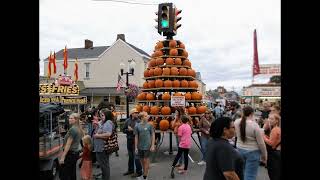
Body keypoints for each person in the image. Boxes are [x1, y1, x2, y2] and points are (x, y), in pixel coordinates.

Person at [234, 106, 267, 180]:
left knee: (241, 172)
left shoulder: (236, 122)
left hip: (239, 149)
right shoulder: (254, 125)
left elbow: (235, 135)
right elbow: (261, 143)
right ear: (252, 113)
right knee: (250, 175)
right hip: (253, 151)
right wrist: (264, 155)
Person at [59, 113, 85, 180]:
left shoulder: (73, 129)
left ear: (76, 120)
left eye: (71, 118)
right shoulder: (78, 128)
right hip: (74, 154)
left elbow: (68, 144)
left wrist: (62, 157)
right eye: (69, 118)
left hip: (70, 154)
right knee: (72, 173)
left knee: (64, 175)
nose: (69, 119)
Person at [93, 108, 114, 180]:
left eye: (102, 115)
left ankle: (105, 178)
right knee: (103, 165)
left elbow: (108, 134)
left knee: (104, 165)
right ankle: (104, 177)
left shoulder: (108, 122)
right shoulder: (103, 122)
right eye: (100, 115)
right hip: (100, 147)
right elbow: (101, 129)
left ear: (107, 116)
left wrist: (97, 136)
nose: (101, 117)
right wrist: (97, 124)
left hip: (103, 147)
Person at [135, 111, 156, 180]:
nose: (148, 117)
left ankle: (145, 175)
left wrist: (152, 145)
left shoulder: (150, 125)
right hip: (140, 146)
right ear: (142, 117)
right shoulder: (137, 126)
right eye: (146, 116)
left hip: (147, 146)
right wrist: (136, 147)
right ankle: (145, 171)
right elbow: (136, 137)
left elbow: (153, 135)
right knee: (142, 161)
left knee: (146, 160)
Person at [122, 108, 143, 177]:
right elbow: (123, 130)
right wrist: (128, 130)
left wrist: (132, 130)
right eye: (135, 112)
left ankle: (139, 171)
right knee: (130, 156)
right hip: (129, 140)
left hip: (136, 140)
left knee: (136, 156)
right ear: (131, 114)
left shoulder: (139, 121)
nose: (137, 114)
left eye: (137, 113)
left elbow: (141, 132)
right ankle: (130, 170)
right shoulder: (127, 121)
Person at [263, 113, 281, 180]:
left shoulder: (275, 129)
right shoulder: (276, 128)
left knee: (273, 174)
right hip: (276, 153)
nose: (269, 120)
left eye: (271, 119)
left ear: (276, 120)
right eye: (269, 118)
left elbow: (271, 143)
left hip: (274, 155)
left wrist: (263, 136)